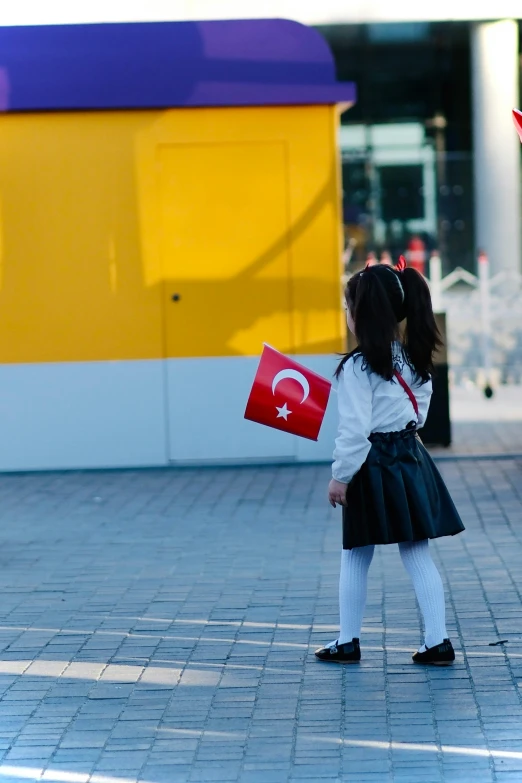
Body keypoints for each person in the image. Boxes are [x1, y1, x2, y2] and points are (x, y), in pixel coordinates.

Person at [315, 262, 465, 666]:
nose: (346, 314)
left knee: (355, 554)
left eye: (348, 306)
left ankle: (348, 641)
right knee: (417, 552)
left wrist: (339, 477)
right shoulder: (413, 358)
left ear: (362, 314)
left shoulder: (357, 367)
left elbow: (354, 430)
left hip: (371, 464)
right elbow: (423, 411)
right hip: (410, 458)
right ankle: (438, 642)